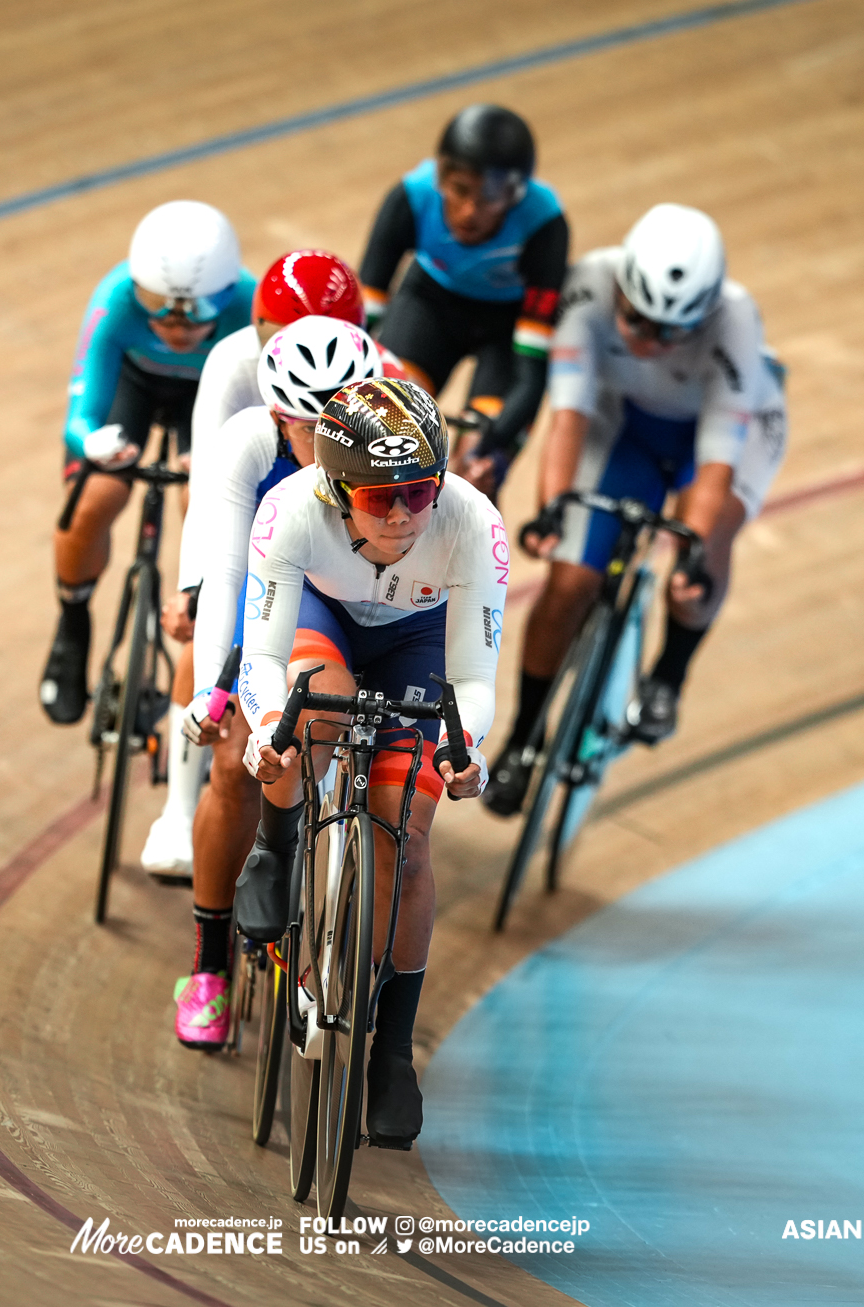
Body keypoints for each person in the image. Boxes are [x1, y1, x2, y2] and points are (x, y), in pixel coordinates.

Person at [233, 377, 506, 1147]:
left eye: (418, 492)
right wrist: (263, 731)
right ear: (333, 487)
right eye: (379, 497)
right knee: (310, 708)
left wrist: (464, 748)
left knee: (407, 839)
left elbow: (475, 681)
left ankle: (391, 1049)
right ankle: (278, 842)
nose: (400, 515)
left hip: (421, 640)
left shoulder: (472, 524)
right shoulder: (290, 512)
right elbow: (261, 656)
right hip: (327, 620)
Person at [483, 204, 787, 816]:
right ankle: (522, 739)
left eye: (667, 332)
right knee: (570, 579)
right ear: (619, 287)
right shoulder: (589, 284)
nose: (645, 340)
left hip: (727, 430)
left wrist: (694, 547)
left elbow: (717, 460)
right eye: (634, 320)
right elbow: (568, 415)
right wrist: (552, 511)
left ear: (701, 317)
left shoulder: (735, 321)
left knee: (696, 563)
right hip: (625, 421)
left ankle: (668, 676)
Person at [167, 315, 385, 1049]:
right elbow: (228, 573)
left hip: (366, 609)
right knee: (235, 762)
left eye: (339, 425)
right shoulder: (246, 447)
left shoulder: (394, 437)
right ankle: (209, 963)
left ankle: (332, 928)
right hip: (275, 598)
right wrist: (209, 688)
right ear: (277, 416)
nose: (326, 446)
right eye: (307, 428)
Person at [140, 250, 367, 877]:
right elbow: (208, 502)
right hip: (256, 497)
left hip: (336, 536)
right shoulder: (233, 362)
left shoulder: (381, 375)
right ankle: (179, 808)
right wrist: (194, 587)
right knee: (212, 611)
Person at [39, 201, 256, 725]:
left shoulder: (251, 306)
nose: (174, 324)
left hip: (208, 395)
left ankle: (202, 632)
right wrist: (92, 442)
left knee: (200, 499)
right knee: (97, 497)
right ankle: (72, 625)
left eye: (197, 309)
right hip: (132, 387)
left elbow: (255, 410)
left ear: (226, 294)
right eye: (155, 303)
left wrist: (216, 458)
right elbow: (82, 410)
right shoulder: (115, 299)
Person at [357, 104, 568, 498]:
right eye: (461, 190)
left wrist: (495, 448)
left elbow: (529, 376)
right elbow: (359, 325)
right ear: (440, 179)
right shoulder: (411, 197)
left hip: (506, 327)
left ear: (515, 194)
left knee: (476, 476)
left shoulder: (545, 225)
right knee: (386, 431)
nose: (471, 211)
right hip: (430, 305)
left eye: (490, 198)